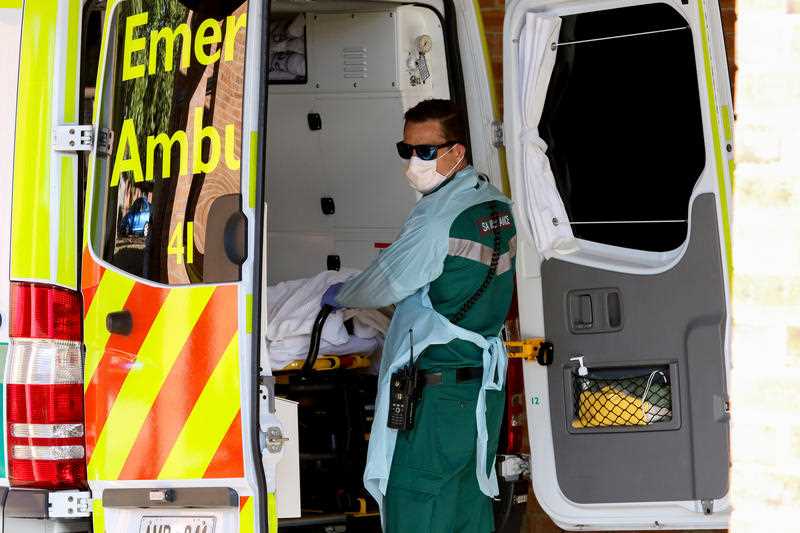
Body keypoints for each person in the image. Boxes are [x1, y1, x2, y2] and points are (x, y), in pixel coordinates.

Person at [321, 99, 517, 533]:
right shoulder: (496, 205)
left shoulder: (437, 220)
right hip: (479, 396)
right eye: (406, 150)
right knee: (466, 506)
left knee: (417, 504)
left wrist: (339, 294)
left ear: (456, 153)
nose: (414, 161)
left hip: (435, 399)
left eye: (426, 151)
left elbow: (385, 282)